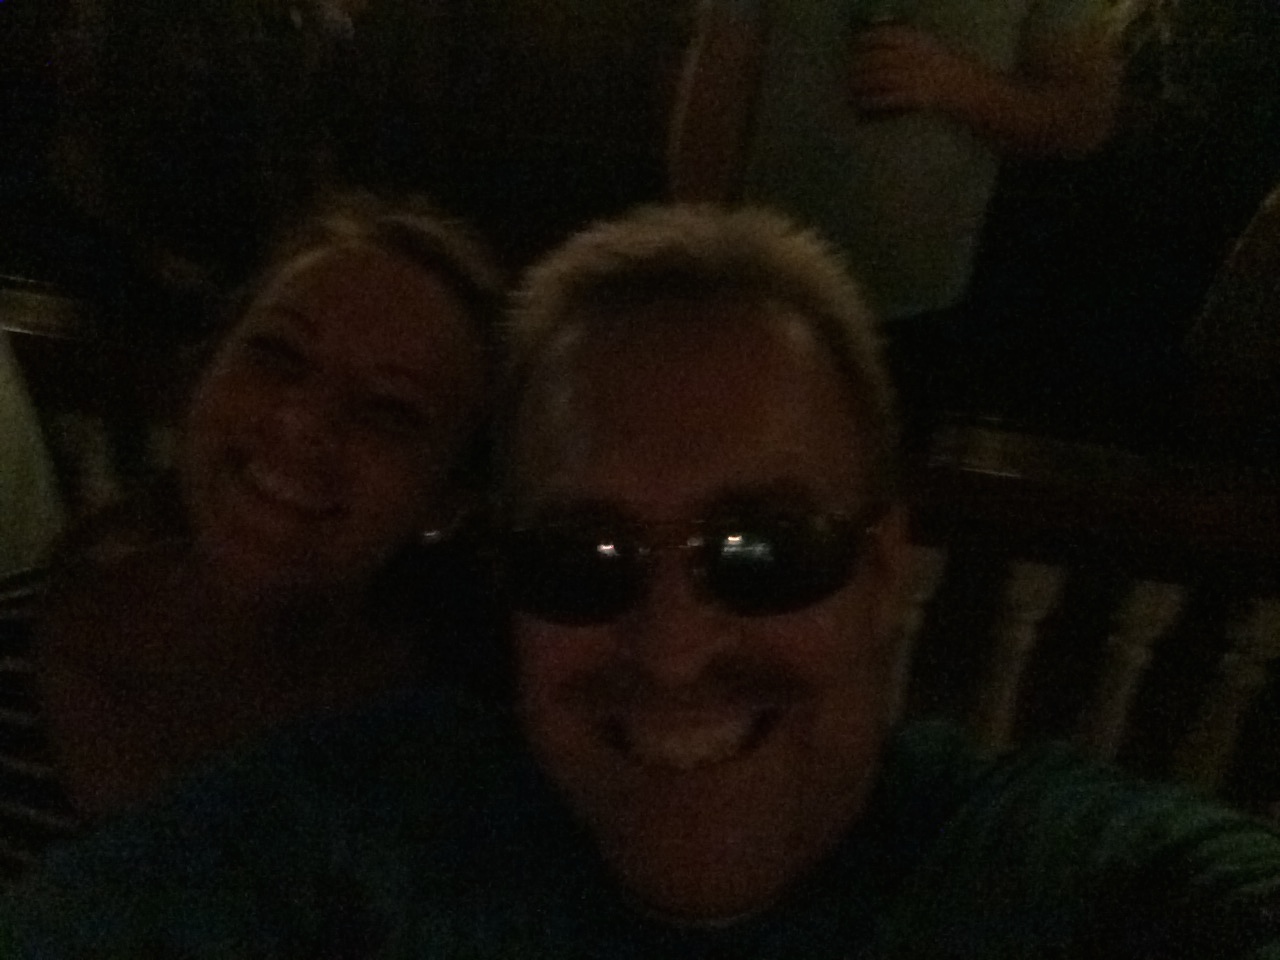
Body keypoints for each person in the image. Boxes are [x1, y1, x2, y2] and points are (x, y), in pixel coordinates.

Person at [4, 206, 1280, 959]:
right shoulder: (401, 807)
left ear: (884, 567)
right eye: (583, 561)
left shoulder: (1031, 872)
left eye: (762, 551)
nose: (672, 648)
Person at [35, 193, 504, 821]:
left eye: (390, 409)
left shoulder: (467, 771)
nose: (304, 423)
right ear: (204, 373)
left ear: (448, 502)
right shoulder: (28, 637)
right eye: (279, 354)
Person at [668, 0, 1121, 430]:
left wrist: (954, 83)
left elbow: (1084, 116)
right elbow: (718, 79)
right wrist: (700, 263)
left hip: (938, 310)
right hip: (768, 289)